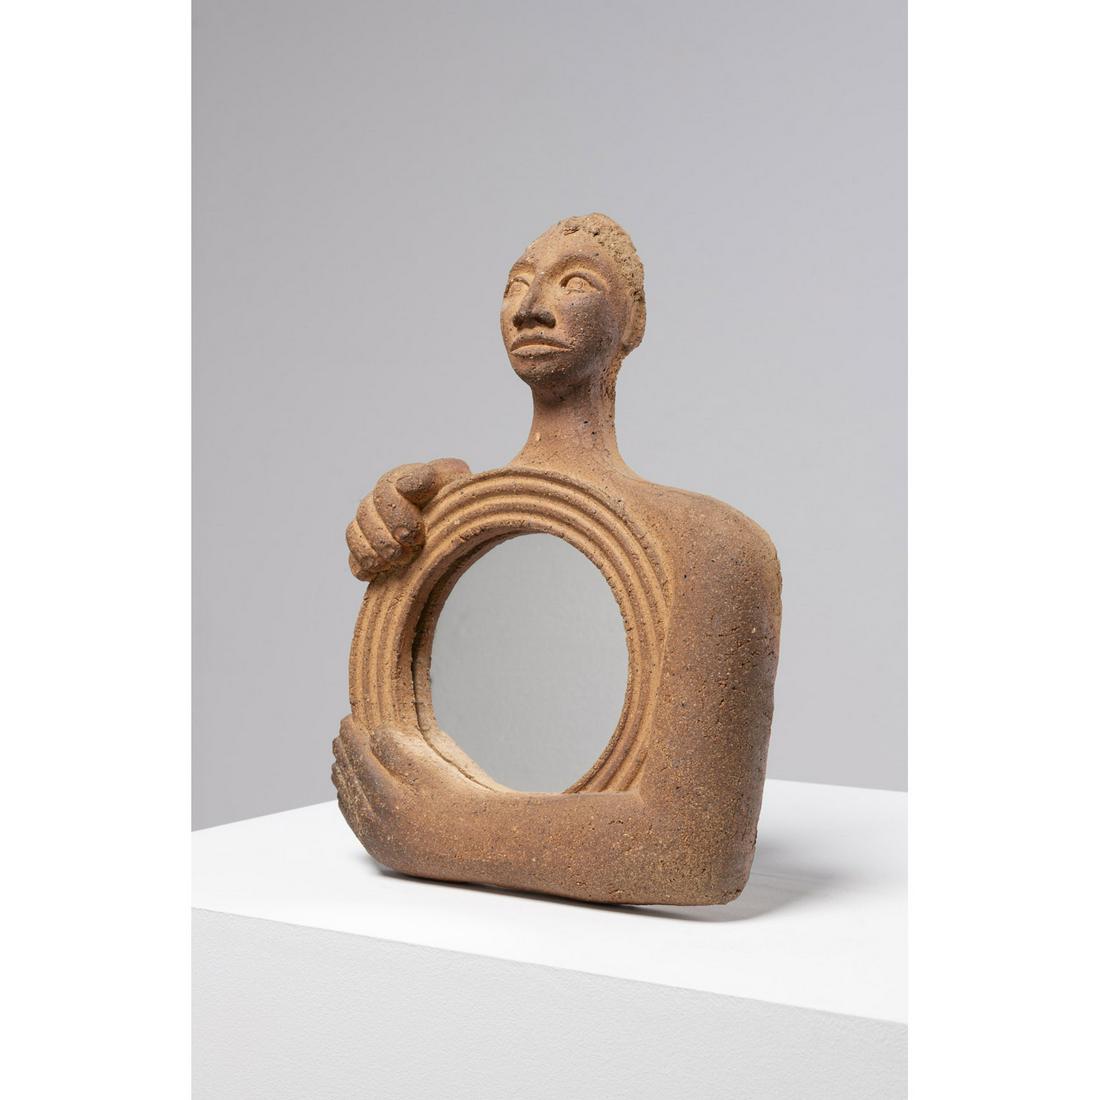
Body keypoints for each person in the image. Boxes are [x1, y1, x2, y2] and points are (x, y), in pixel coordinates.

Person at [334, 214, 781, 905]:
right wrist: (423, 539)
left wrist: (434, 830)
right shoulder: (443, 513)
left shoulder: (712, 547)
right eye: (517, 285)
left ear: (632, 323)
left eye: (574, 283)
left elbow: (692, 852)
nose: (532, 307)